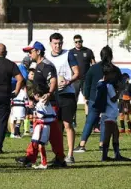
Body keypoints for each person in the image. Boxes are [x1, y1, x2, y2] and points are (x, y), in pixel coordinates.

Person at [17, 41, 66, 169]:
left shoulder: (46, 66)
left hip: (48, 103)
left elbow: (53, 80)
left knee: (40, 130)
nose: (29, 54)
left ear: (38, 51)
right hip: (42, 103)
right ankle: (58, 158)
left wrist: (49, 93)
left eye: (31, 51)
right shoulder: (37, 65)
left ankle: (30, 158)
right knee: (51, 132)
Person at [44, 33, 81, 164]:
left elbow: (77, 72)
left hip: (67, 94)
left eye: (59, 43)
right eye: (55, 43)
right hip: (53, 96)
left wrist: (68, 81)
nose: (57, 46)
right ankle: (59, 155)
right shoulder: (46, 57)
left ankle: (70, 154)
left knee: (67, 124)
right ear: (50, 43)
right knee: (56, 126)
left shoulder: (68, 54)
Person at [78, 45, 117, 152]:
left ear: (101, 55)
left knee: (90, 121)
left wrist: (86, 96)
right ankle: (102, 145)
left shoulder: (93, 68)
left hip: (94, 99)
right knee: (105, 122)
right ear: (111, 56)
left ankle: (82, 144)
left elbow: (87, 83)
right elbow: (119, 84)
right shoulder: (115, 69)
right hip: (108, 100)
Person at [98, 64, 130, 162]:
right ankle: (106, 156)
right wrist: (119, 90)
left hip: (105, 113)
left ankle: (116, 154)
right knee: (108, 135)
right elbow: (112, 99)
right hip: (109, 113)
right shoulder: (109, 85)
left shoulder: (100, 83)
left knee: (115, 133)